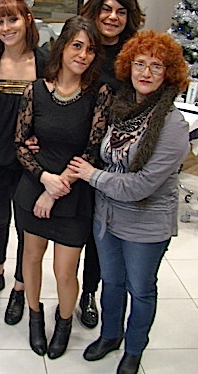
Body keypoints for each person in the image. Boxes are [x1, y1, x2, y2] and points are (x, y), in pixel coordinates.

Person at [68, 30, 189, 374]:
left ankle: (134, 349)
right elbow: (106, 153)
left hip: (146, 224)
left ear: (168, 73)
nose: (145, 72)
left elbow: (141, 185)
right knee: (111, 281)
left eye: (156, 66)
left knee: (140, 289)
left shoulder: (173, 125)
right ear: (128, 67)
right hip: (108, 217)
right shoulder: (121, 108)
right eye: (139, 64)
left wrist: (92, 175)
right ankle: (110, 335)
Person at [14, 15, 109, 359]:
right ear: (62, 47)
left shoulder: (99, 94)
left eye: (90, 49)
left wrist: (55, 189)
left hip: (74, 194)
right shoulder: (36, 91)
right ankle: (34, 316)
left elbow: (93, 151)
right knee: (31, 257)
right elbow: (20, 144)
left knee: (65, 271)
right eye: (77, 46)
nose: (83, 55)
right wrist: (44, 179)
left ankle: (64, 322)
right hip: (34, 187)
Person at [75, 0, 145, 329]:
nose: (112, 17)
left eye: (120, 11)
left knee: (98, 234)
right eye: (106, 9)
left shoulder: (134, 56)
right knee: (70, 228)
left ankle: (89, 293)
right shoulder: (80, 47)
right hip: (72, 154)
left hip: (111, 161)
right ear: (94, 10)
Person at [0, 0, 48, 325]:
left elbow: (55, 108)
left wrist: (41, 139)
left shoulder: (45, 62)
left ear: (27, 20)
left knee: (25, 228)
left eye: (12, 20)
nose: (6, 28)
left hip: (28, 164)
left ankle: (20, 287)